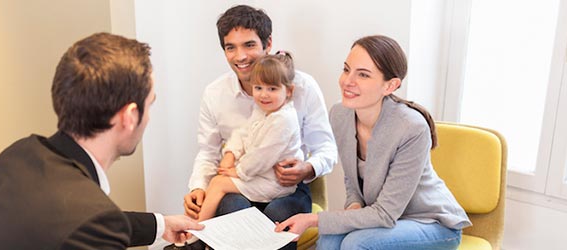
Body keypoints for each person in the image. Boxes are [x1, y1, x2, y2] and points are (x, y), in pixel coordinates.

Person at [0, 32, 203, 250]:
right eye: (150, 104)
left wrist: (160, 226)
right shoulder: (90, 222)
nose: (148, 118)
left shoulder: (18, 156)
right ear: (129, 116)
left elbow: (77, 219)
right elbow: (90, 223)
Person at [275, 35, 471, 249]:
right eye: (346, 69)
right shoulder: (340, 114)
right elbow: (353, 181)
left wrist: (312, 220)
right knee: (329, 240)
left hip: (430, 223)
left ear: (390, 85)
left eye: (363, 75)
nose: (347, 81)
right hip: (382, 218)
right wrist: (354, 205)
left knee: (356, 244)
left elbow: (385, 214)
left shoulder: (411, 128)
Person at [181, 5, 337, 250]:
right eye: (230, 47)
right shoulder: (215, 93)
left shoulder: (302, 87)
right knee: (234, 210)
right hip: (241, 188)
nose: (240, 56)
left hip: (287, 188)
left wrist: (307, 168)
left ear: (268, 43)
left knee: (276, 218)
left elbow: (326, 148)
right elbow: (208, 152)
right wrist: (199, 187)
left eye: (249, 45)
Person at [196, 52, 303, 223]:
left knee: (219, 183)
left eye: (272, 89)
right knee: (219, 183)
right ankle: (202, 235)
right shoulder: (262, 110)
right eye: (258, 88)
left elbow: (262, 156)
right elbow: (242, 133)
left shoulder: (283, 120)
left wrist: (238, 171)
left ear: (289, 91)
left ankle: (195, 234)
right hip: (258, 176)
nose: (263, 95)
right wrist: (231, 154)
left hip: (274, 183)